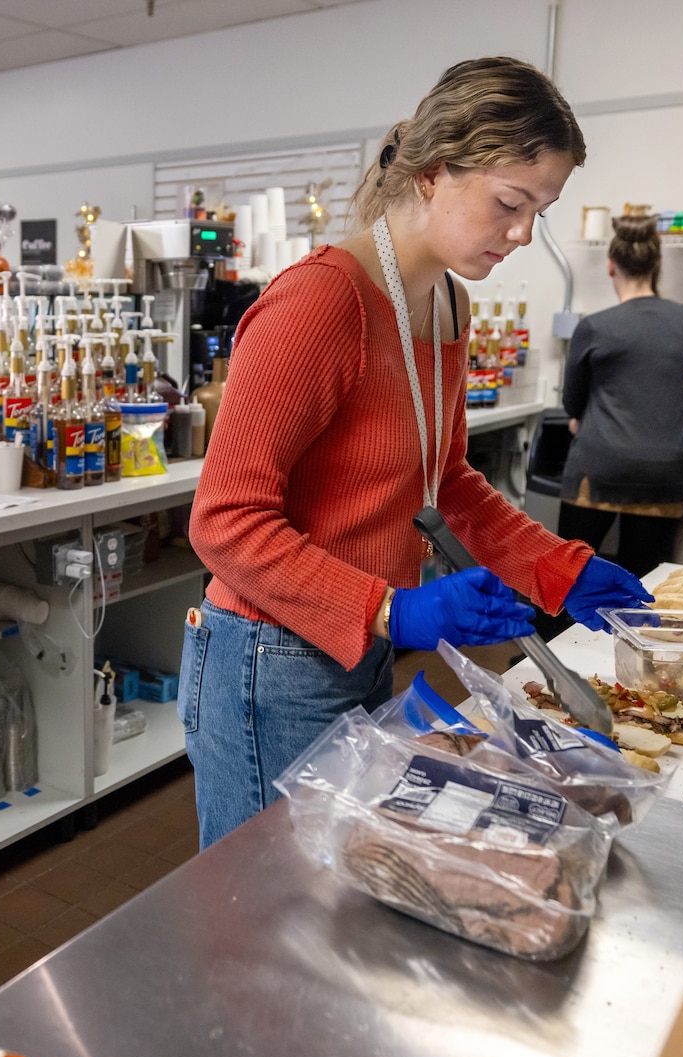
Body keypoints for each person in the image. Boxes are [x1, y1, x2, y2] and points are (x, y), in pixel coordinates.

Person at [181, 57, 652, 850]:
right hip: (267, 656)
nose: (522, 234)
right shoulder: (320, 303)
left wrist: (554, 567)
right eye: (509, 202)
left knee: (339, 879)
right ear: (434, 172)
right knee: (262, 903)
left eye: (540, 210)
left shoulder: (446, 299)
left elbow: (447, 484)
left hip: (355, 645)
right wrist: (391, 608)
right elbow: (224, 522)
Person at [559, 218, 683, 578]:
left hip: (600, 466)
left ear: (611, 266)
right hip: (664, 474)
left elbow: (571, 401)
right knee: (646, 583)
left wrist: (579, 416)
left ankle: (557, 635)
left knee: (571, 578)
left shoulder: (594, 325)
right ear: (658, 265)